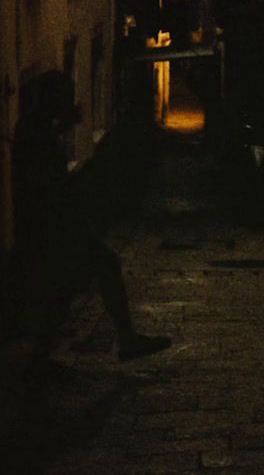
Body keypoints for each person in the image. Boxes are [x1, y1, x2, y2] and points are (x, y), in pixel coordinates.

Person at [12, 70, 172, 361]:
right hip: (53, 225)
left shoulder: (36, 127)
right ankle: (124, 341)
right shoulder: (37, 132)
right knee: (84, 276)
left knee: (65, 289)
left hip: (53, 223)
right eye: (67, 95)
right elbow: (49, 183)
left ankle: (44, 360)